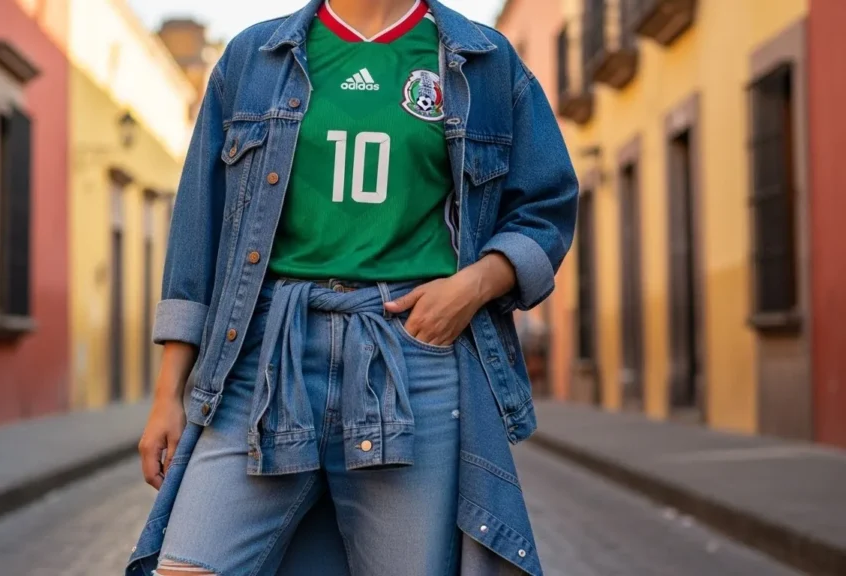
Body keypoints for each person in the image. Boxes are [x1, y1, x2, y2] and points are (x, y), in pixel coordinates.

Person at [129, 0, 577, 574]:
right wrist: (168, 393)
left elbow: (547, 205)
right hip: (268, 353)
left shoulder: (483, 62)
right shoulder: (253, 59)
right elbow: (200, 229)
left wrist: (473, 285)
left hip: (412, 354)